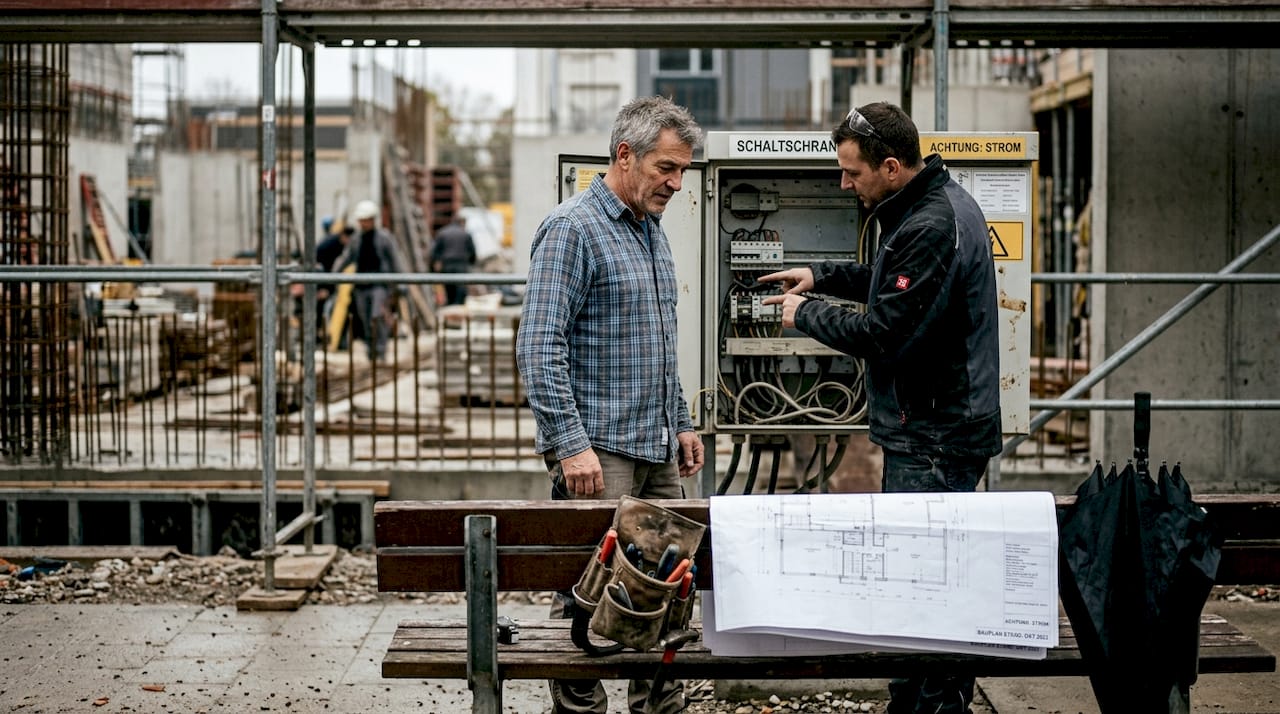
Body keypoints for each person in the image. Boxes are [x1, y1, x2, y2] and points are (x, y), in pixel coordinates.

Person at [759, 101, 1002, 714]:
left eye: (852, 172)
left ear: (891, 167)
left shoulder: (930, 224)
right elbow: (891, 280)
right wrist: (821, 276)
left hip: (934, 436)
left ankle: (933, 709)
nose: (845, 184)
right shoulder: (933, 206)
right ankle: (913, 702)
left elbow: (885, 333)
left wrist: (805, 315)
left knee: (927, 590)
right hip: (933, 428)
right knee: (918, 586)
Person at [515, 95, 705, 714]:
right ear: (625, 155)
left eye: (682, 171)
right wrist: (570, 445)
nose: (677, 184)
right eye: (666, 168)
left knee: (669, 587)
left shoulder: (650, 230)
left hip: (656, 448)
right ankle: (580, 711)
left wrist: (681, 422)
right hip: (599, 452)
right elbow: (539, 345)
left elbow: (658, 341)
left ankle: (658, 705)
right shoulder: (573, 229)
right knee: (588, 589)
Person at [331, 199, 404, 362]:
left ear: (373, 219)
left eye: (366, 220)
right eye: (361, 220)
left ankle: (380, 351)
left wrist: (400, 283)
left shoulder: (384, 238)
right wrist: (334, 274)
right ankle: (371, 353)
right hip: (361, 286)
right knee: (365, 321)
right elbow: (346, 258)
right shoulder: (356, 239)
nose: (363, 223)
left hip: (379, 285)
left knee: (376, 317)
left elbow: (395, 261)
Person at [429, 214, 477, 306]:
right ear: (462, 223)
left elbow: (435, 251)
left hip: (446, 264)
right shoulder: (465, 234)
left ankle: (450, 305)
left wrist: (435, 263)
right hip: (461, 264)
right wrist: (472, 262)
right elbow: (472, 251)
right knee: (460, 287)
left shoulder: (442, 233)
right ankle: (458, 306)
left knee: (449, 286)